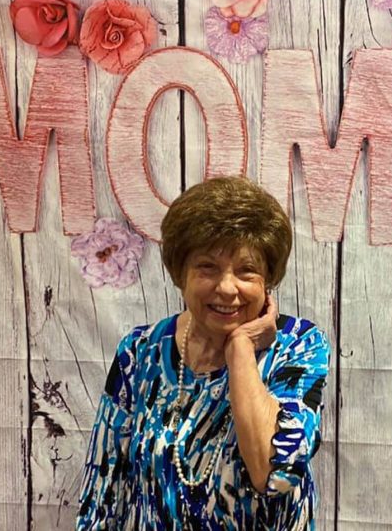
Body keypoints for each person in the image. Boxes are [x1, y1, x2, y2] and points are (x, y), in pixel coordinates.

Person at [76, 176, 330, 530]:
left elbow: (275, 474)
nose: (227, 288)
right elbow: (103, 496)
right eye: (207, 267)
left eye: (247, 271)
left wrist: (241, 348)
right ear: (180, 274)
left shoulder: (298, 346)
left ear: (268, 280)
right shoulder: (140, 352)